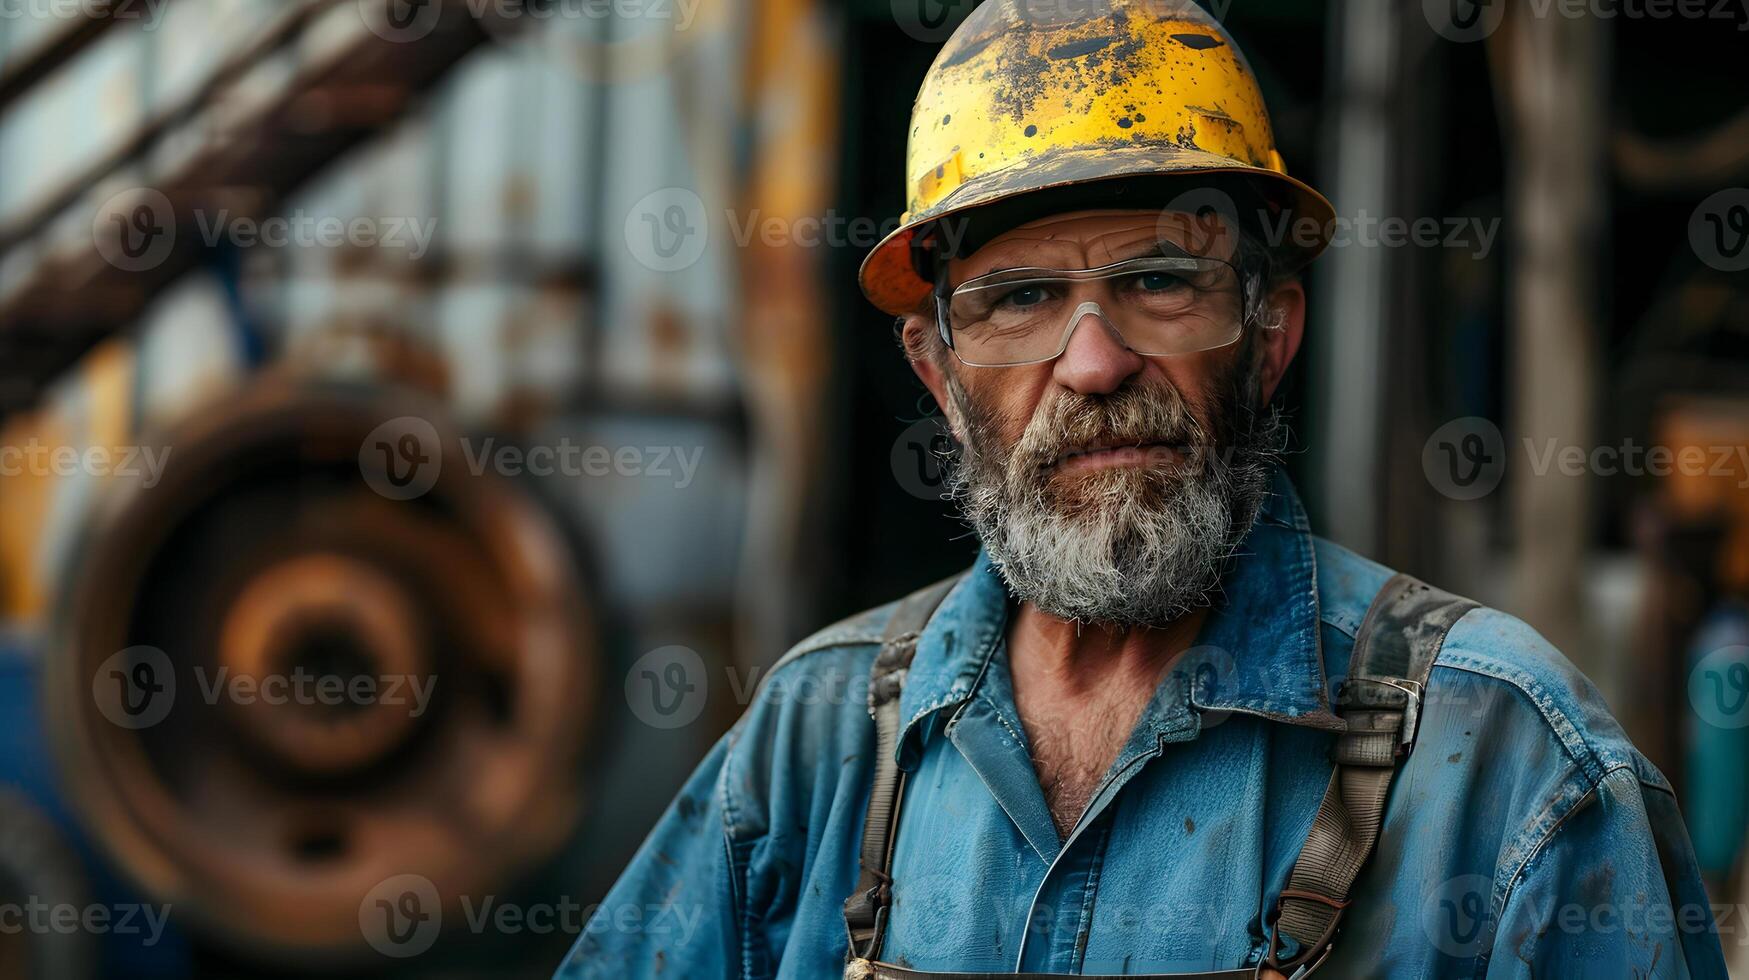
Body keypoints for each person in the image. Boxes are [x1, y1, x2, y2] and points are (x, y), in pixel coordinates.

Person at [557, 0, 1727, 975]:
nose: (1095, 363)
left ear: (1268, 334)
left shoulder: (1512, 765)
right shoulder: (815, 744)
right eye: (1016, 300)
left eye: (1162, 280)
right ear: (939, 373)